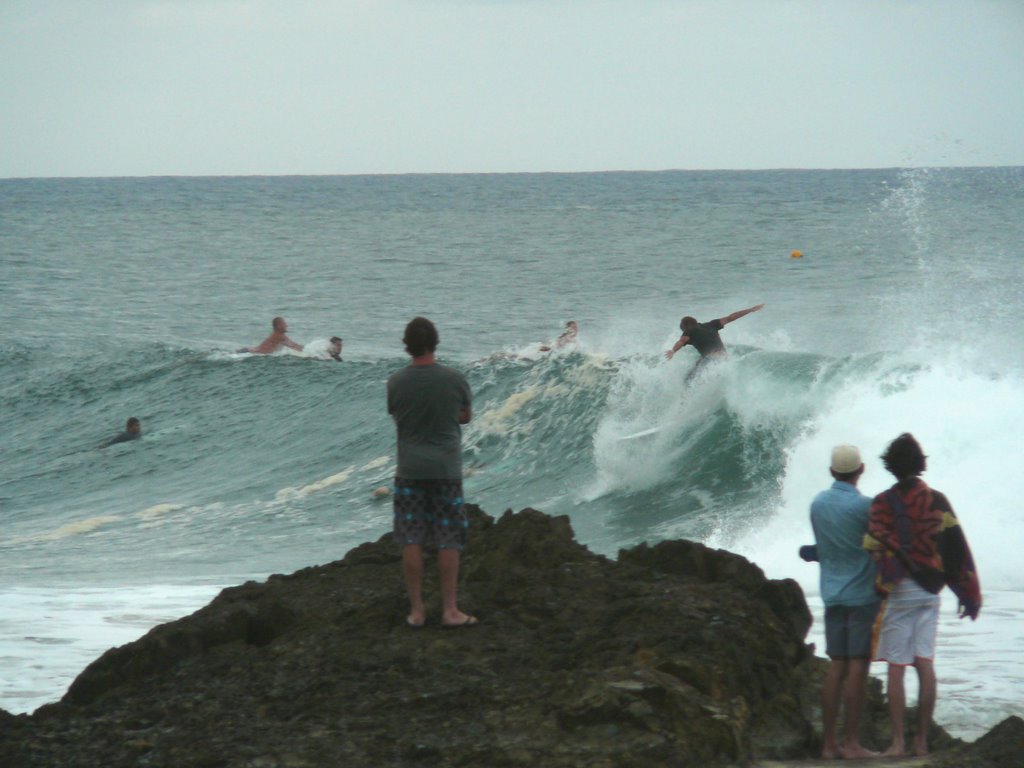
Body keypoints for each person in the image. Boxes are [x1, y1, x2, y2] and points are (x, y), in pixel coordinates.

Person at [863, 433, 982, 758]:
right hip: (931, 591)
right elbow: (956, 547)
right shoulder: (938, 500)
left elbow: (873, 543)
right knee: (925, 663)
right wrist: (966, 591)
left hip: (900, 591)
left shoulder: (882, 503)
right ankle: (921, 741)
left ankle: (898, 743)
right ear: (919, 463)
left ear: (890, 465)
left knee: (897, 666)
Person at [387, 317, 476, 629]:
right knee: (448, 538)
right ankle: (450, 611)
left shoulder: (396, 382)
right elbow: (465, 416)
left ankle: (417, 611)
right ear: (435, 342)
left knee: (411, 538)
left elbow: (397, 416)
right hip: (446, 470)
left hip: (409, 469)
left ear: (407, 345)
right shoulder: (454, 379)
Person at [806, 444, 881, 760]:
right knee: (856, 668)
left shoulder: (817, 504)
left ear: (832, 472)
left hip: (832, 593)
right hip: (862, 595)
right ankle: (851, 743)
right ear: (860, 470)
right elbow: (875, 547)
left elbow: (823, 546)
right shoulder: (865, 507)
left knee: (835, 666)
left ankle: (828, 745)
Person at [665, 303, 764, 380]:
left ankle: (685, 401)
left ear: (684, 327)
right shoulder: (711, 324)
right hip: (724, 358)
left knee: (688, 380)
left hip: (711, 360)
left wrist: (673, 351)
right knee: (698, 363)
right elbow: (731, 317)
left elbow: (682, 341)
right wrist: (751, 310)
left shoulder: (689, 330)